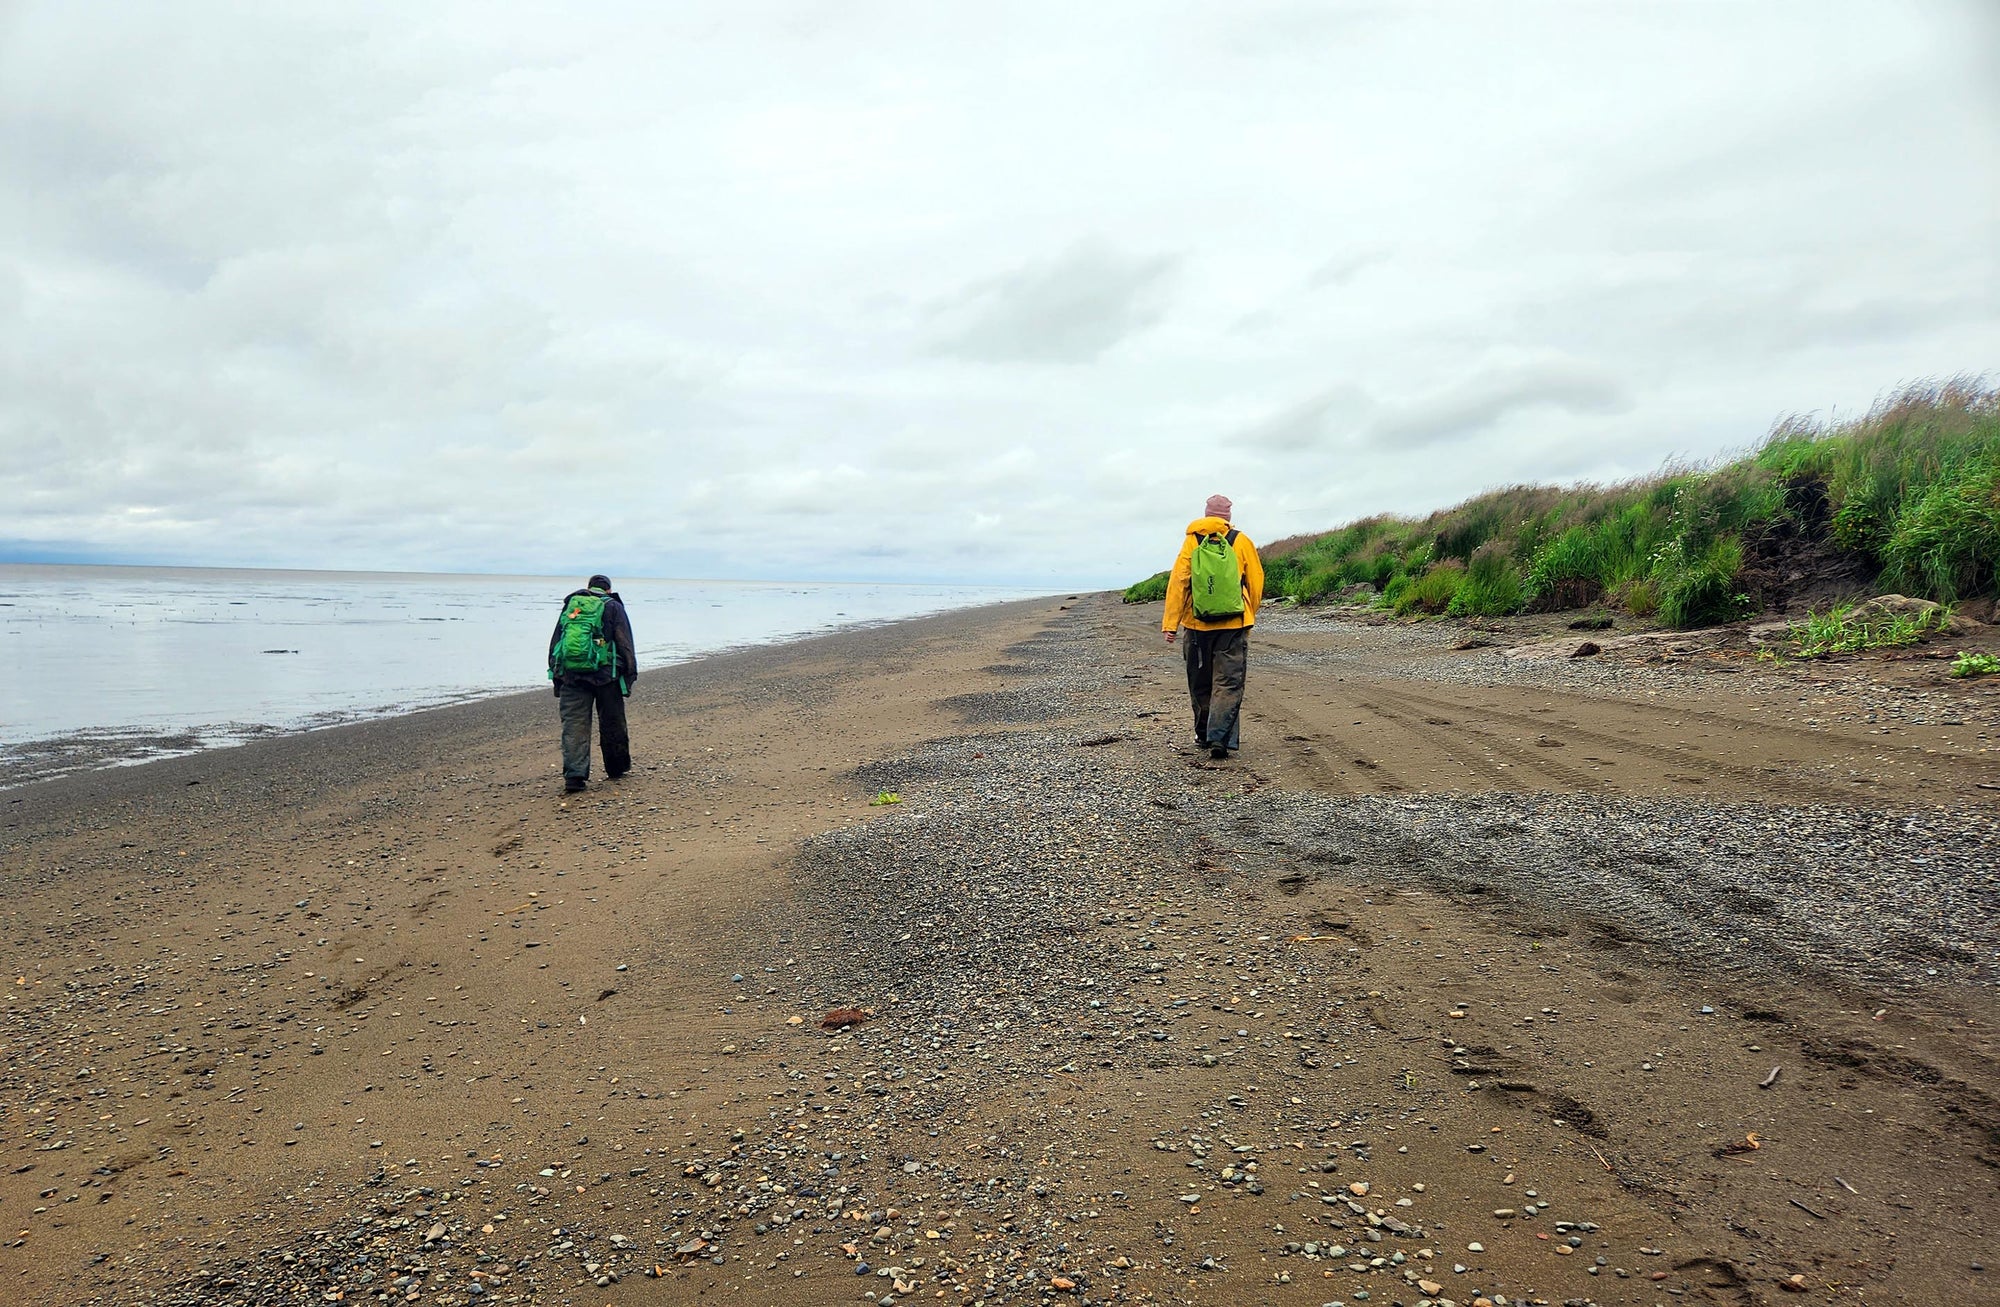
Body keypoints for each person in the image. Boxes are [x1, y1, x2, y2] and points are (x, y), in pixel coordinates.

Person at [1162, 494, 1264, 760]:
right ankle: (1221, 737)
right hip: (1233, 624)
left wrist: (1170, 624)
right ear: (1228, 518)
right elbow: (1255, 581)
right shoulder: (1241, 541)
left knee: (1200, 682)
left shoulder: (1191, 541)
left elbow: (1179, 583)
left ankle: (1203, 734)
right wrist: (1249, 613)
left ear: (1206, 514)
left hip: (1197, 624)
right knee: (1228, 682)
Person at [548, 574, 638, 793]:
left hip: (572, 676)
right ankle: (616, 768)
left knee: (574, 726)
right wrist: (630, 675)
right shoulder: (613, 606)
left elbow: (557, 643)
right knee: (612, 722)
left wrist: (557, 678)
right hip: (607, 676)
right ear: (608, 589)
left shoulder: (572, 605)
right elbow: (625, 642)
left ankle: (575, 777)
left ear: (588, 587)